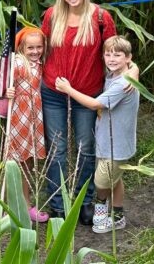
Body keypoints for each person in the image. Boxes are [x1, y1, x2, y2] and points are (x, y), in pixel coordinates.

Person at [39, 0, 116, 225]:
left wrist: (133, 73)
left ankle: (85, 202)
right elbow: (37, 49)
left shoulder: (101, 18)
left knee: (86, 149)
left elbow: (115, 54)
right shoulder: (52, 16)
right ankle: (59, 205)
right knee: (57, 150)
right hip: (53, 93)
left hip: (87, 93)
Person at [55, 35, 139, 234]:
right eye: (107, 54)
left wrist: (68, 89)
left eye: (117, 55)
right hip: (106, 139)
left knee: (102, 182)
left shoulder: (122, 83)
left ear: (127, 57)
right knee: (114, 178)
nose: (111, 59)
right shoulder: (114, 75)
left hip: (116, 144)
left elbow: (94, 104)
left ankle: (101, 207)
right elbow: (131, 65)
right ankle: (118, 215)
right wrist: (134, 68)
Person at [3, 27, 49, 223]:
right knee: (14, 160)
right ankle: (9, 207)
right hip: (18, 114)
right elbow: (1, 83)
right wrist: (7, 91)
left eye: (39, 47)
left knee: (27, 161)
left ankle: (26, 204)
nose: (35, 51)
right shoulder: (18, 62)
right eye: (30, 47)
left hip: (33, 114)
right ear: (21, 47)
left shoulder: (39, 63)